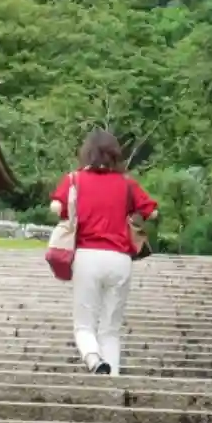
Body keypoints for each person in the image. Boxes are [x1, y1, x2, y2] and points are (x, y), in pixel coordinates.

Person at [50, 130, 158, 375]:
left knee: (84, 325)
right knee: (110, 329)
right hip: (120, 259)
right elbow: (152, 212)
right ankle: (113, 379)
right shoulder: (127, 183)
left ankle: (94, 360)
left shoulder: (74, 179)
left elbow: (56, 207)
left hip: (87, 256)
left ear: (87, 152)